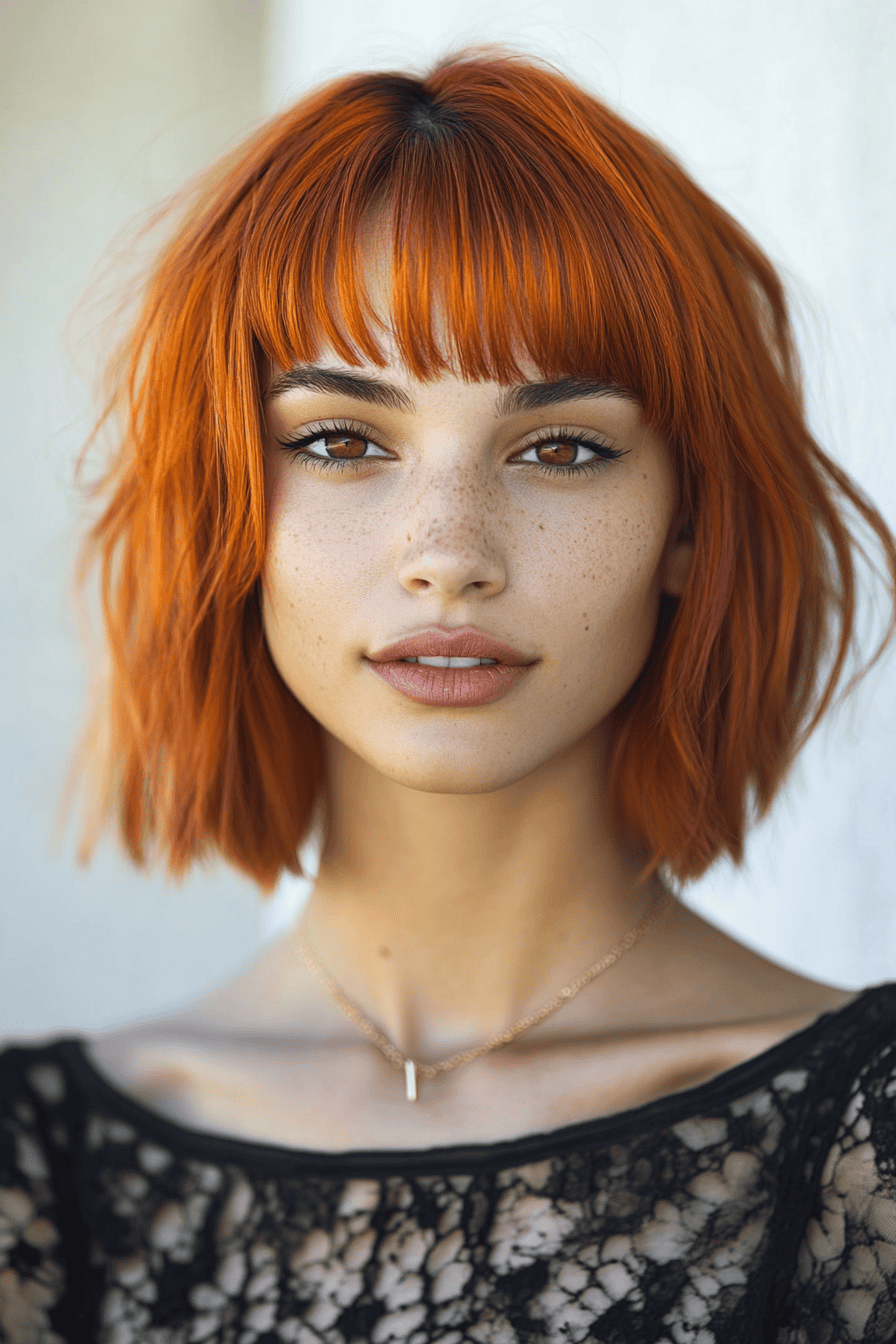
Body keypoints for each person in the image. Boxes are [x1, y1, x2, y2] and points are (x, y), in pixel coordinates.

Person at [2, 44, 895, 1344]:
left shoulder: (864, 1147)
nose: (449, 554)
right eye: (341, 440)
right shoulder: (38, 1174)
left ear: (688, 521)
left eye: (562, 448)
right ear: (228, 508)